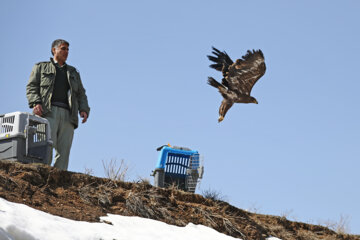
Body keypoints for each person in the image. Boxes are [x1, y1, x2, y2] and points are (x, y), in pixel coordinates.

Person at [26, 39, 90, 170]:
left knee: (64, 151)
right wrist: (35, 103)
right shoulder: (40, 67)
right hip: (48, 112)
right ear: (54, 50)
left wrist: (84, 109)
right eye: (63, 48)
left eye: (67, 49)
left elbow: (81, 93)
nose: (66, 52)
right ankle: (43, 176)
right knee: (46, 147)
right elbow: (32, 87)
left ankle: (58, 182)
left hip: (68, 114)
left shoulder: (73, 72)